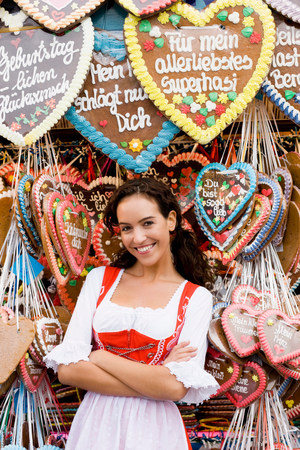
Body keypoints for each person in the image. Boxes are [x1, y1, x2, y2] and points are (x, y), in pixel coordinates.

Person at [44, 178, 219, 450]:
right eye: (127, 228)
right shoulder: (99, 280)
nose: (138, 238)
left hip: (156, 431)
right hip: (95, 426)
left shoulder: (196, 298)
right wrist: (157, 377)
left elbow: (175, 389)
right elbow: (68, 371)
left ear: (171, 220)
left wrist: (98, 356)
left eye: (148, 223)